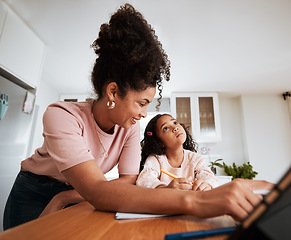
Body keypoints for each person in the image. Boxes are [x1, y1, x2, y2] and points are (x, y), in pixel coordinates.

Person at [3, 3, 273, 230]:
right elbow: (98, 189)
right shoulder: (61, 115)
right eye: (142, 103)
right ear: (113, 92)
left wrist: (65, 197)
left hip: (76, 196)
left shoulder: (129, 127)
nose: (144, 113)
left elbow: (126, 180)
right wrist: (198, 202)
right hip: (34, 192)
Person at [136, 114, 218, 190]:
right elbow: (144, 180)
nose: (175, 128)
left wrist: (206, 185)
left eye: (175, 123)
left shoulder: (196, 159)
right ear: (159, 142)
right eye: (166, 128)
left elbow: (211, 179)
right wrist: (166, 188)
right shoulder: (156, 160)